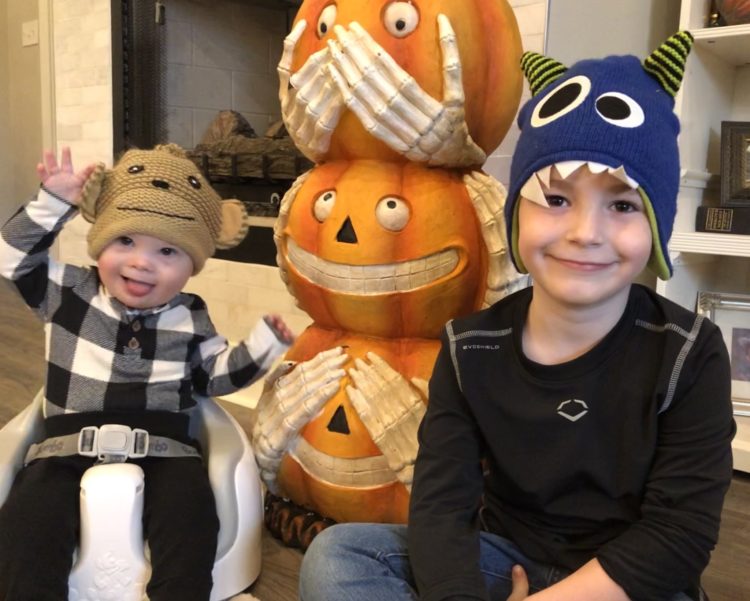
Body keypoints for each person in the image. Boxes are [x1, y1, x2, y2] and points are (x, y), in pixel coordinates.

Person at [298, 31, 736, 601]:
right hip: (507, 561)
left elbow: (679, 532)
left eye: (623, 205)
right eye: (556, 199)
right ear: (515, 218)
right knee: (339, 557)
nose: (585, 233)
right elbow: (442, 503)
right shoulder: (469, 346)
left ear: (653, 228)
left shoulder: (688, 352)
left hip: (627, 580)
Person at [0, 144, 293, 601]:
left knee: (192, 520)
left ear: (191, 267)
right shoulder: (72, 292)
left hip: (167, 453)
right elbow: (11, 256)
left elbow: (214, 378)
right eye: (125, 241)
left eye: (167, 251)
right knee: (28, 523)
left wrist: (261, 347)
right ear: (101, 242)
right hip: (61, 449)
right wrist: (53, 202)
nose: (141, 262)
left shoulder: (190, 315)